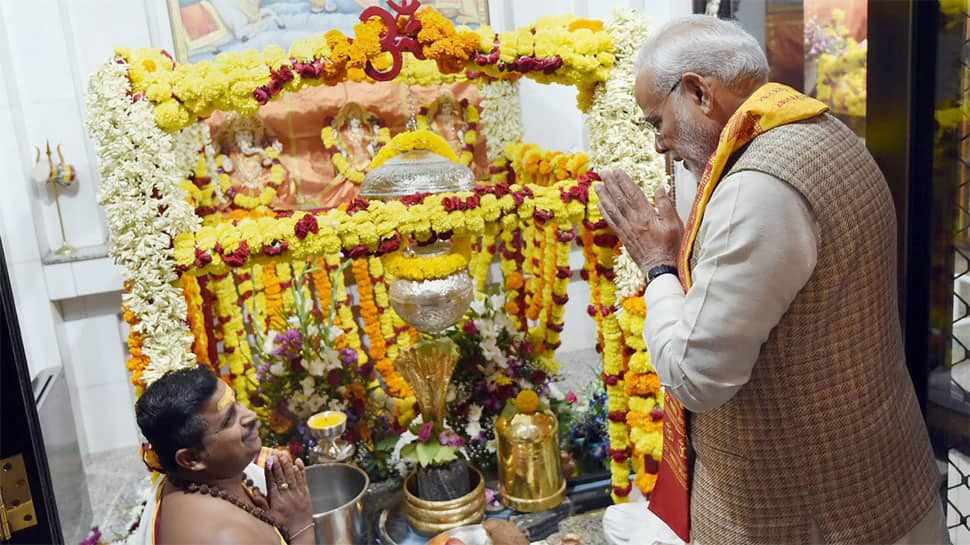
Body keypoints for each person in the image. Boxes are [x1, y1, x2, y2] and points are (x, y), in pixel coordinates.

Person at [596, 15, 951, 545]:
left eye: (656, 123)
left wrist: (658, 264)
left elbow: (697, 376)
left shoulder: (757, 188)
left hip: (806, 516)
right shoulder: (825, 132)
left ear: (697, 92)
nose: (658, 146)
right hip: (885, 479)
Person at [131, 367, 316, 545]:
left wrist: (273, 521)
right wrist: (301, 527)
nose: (250, 415)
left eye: (236, 402)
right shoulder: (227, 537)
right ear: (191, 459)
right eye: (229, 420)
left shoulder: (188, 478)